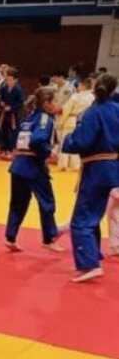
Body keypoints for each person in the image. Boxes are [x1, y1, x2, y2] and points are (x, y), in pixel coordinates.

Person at [60, 73, 119, 282]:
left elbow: (80, 142)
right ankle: (93, 256)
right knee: (93, 214)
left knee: (82, 218)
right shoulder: (116, 109)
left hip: (96, 169)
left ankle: (89, 264)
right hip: (113, 167)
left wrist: (68, 140)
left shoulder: (93, 112)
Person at [3, 87, 62, 253]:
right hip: (33, 166)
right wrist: (48, 152)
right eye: (54, 101)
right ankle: (49, 238)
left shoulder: (28, 117)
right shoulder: (45, 118)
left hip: (18, 165)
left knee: (18, 203)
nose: (56, 104)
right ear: (46, 103)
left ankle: (10, 237)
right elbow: (37, 139)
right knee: (47, 202)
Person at [56, 77, 95, 171]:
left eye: (79, 85)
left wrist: (60, 122)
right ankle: (76, 165)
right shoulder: (93, 97)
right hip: (84, 121)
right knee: (78, 142)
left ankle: (63, 165)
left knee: (64, 142)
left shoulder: (76, 96)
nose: (78, 87)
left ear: (82, 86)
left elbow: (66, 110)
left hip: (71, 120)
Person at [0, 67, 25, 159]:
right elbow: (0, 98)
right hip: (4, 113)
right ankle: (4, 150)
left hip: (14, 114)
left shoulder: (18, 90)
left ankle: (13, 150)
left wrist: (11, 108)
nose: (8, 81)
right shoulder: (3, 87)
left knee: (13, 132)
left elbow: (21, 103)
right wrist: (0, 103)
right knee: (3, 131)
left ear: (15, 80)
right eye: (7, 79)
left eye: (10, 80)